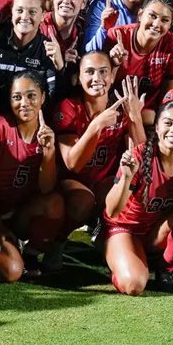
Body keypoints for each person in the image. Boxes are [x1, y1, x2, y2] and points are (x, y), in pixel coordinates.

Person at [104, 101, 173, 295]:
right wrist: (126, 177)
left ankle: (164, 268)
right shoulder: (139, 156)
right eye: (168, 123)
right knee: (134, 285)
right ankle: (115, 256)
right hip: (125, 228)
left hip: (157, 232)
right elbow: (112, 210)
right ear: (157, 127)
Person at [53, 57, 146, 270]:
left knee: (129, 191)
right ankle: (58, 241)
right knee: (83, 199)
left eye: (104, 71)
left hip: (104, 178)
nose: (97, 78)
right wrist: (96, 125)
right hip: (72, 181)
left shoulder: (122, 106)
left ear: (113, 76)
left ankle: (106, 234)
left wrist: (135, 118)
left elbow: (142, 157)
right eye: (90, 72)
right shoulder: (68, 107)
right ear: (79, 77)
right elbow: (72, 164)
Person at [0, 72, 63, 279]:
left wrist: (48, 153)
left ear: (43, 98)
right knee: (11, 272)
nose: (24, 103)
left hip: (19, 214)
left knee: (55, 203)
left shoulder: (48, 132)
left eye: (31, 96)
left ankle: (32, 253)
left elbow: (46, 189)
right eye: (17, 97)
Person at [100, 0, 173, 125]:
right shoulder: (117, 35)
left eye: (164, 20)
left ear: (171, 24)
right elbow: (102, 84)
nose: (157, 24)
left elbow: (168, 94)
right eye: (152, 16)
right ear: (140, 15)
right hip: (113, 106)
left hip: (147, 112)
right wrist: (115, 64)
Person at [0, 0, 61, 106]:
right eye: (19, 10)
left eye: (32, 12)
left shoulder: (47, 49)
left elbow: (53, 98)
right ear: (12, 12)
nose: (24, 17)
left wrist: (61, 68)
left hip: (25, 115)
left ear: (43, 16)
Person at [38, 0, 88, 70]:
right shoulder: (40, 24)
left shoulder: (85, 28)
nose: (66, 1)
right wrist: (60, 60)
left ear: (83, 4)